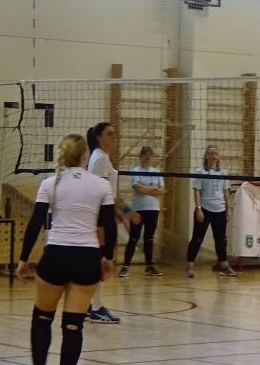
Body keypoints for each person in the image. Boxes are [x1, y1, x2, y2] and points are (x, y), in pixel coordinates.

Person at [17, 134, 117, 365]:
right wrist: (108, 258)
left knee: (42, 319)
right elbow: (109, 225)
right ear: (85, 156)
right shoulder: (101, 184)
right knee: (73, 326)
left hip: (56, 256)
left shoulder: (50, 183)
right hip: (87, 258)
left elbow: (35, 223)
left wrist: (23, 259)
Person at [86, 122, 137, 323]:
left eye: (115, 133)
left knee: (99, 262)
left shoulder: (102, 157)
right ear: (99, 137)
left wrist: (121, 211)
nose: (115, 136)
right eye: (110, 134)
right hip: (99, 218)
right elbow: (99, 195)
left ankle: (90, 305)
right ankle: (96, 308)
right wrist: (125, 212)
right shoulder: (99, 159)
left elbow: (108, 195)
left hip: (102, 215)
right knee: (101, 262)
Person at [186, 145, 237, 277]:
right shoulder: (200, 172)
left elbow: (226, 191)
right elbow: (197, 191)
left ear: (218, 156)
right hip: (205, 209)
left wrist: (228, 209)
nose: (214, 155)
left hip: (220, 210)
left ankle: (224, 266)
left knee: (221, 240)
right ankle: (189, 267)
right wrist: (198, 209)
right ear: (206, 156)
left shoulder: (223, 172)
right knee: (197, 239)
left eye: (216, 153)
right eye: (211, 153)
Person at [119, 146, 167, 278]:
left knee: (149, 238)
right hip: (138, 210)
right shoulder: (135, 171)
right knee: (134, 237)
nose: (148, 157)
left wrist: (146, 188)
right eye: (145, 155)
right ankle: (125, 266)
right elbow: (138, 189)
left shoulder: (157, 172)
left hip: (153, 209)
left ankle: (149, 266)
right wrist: (153, 188)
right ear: (140, 157)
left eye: (150, 155)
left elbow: (162, 191)